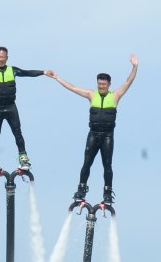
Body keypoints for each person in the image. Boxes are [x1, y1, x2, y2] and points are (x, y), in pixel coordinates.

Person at [45, 55, 138, 205]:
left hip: (107, 136)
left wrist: (134, 67)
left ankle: (107, 192)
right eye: (99, 84)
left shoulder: (115, 95)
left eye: (104, 84)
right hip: (93, 135)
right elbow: (73, 88)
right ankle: (81, 189)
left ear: (109, 84)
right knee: (86, 163)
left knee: (107, 165)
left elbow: (128, 81)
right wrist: (57, 78)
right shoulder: (91, 94)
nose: (101, 86)